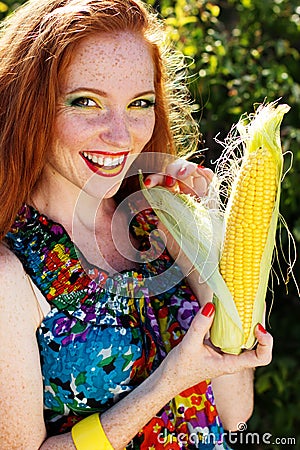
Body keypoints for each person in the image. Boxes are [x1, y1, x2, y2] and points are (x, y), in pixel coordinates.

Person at [0, 0, 273, 449]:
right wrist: (168, 382)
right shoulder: (11, 272)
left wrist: (206, 234)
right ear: (30, 108)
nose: (121, 134)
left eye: (139, 103)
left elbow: (233, 410)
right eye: (86, 102)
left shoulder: (159, 222)